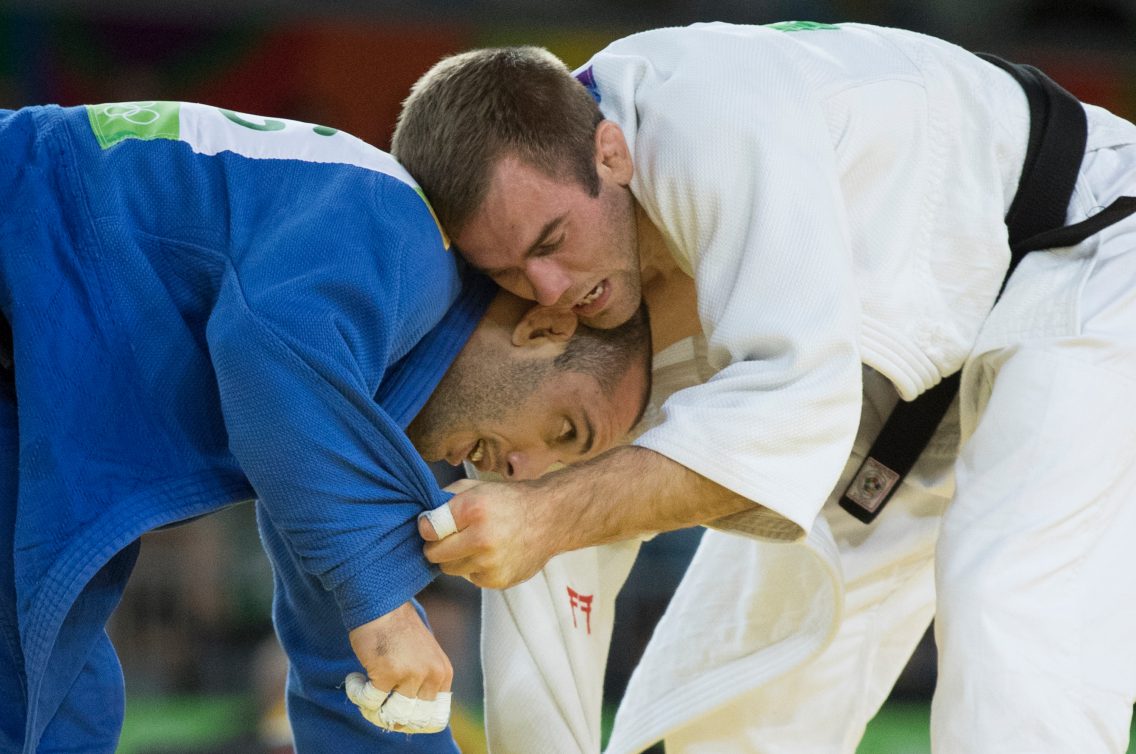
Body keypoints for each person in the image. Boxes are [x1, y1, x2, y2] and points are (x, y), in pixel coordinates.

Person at [393, 21, 1136, 753]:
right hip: (898, 381)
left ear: (611, 153)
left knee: (1011, 602)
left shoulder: (708, 116)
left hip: (1083, 246)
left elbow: (793, 411)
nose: (548, 289)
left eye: (551, 244)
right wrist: (538, 522)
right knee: (720, 719)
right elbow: (543, 579)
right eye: (509, 273)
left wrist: (550, 516)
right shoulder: (566, 299)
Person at [0, 100, 651, 753]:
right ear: (544, 329)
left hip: (35, 356)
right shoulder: (402, 231)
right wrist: (385, 605)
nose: (524, 472)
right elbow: (270, 351)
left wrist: (383, 628)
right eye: (566, 431)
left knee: (61, 712)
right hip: (22, 216)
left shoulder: (361, 424)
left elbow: (356, 673)